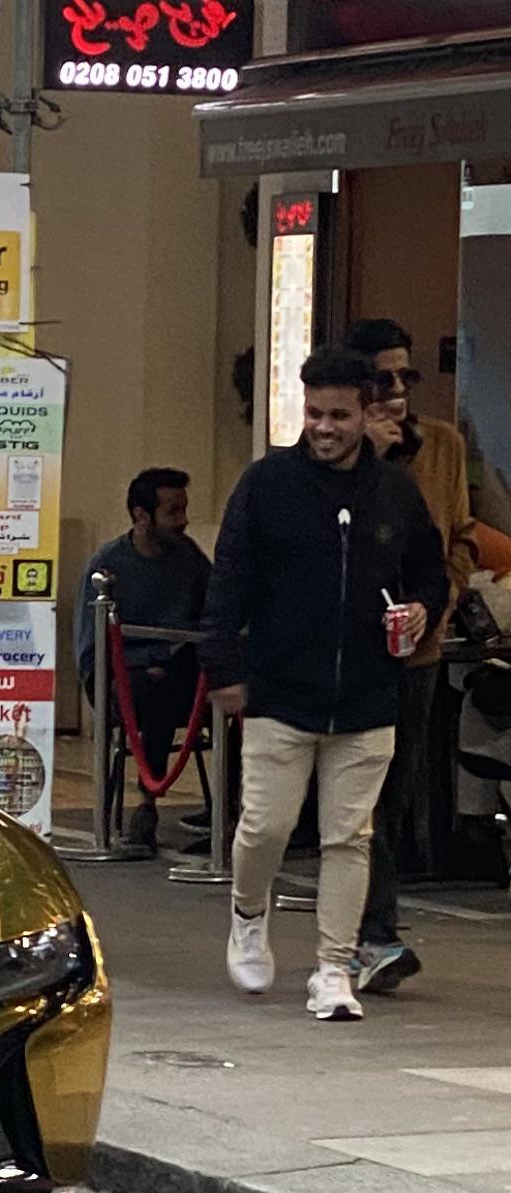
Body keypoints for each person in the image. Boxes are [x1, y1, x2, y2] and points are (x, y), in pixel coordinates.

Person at [205, 346, 448, 1023]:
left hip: (369, 696)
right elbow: (228, 580)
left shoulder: (395, 493)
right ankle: (247, 912)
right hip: (280, 691)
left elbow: (428, 570)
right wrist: (224, 668)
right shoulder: (265, 485)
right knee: (266, 825)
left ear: (365, 412)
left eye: (338, 414)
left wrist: (422, 607)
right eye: (313, 413)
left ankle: (333, 967)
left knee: (350, 837)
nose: (324, 427)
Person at [344, 317, 479, 994]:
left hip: (416, 649)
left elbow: (461, 535)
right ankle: (370, 932)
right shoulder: (333, 449)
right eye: (381, 378)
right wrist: (367, 455)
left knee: (393, 791)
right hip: (347, 650)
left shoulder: (446, 446)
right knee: (355, 792)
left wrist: (442, 598)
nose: (396, 391)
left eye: (405, 376)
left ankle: (369, 928)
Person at [73, 467, 212, 852]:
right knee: (156, 690)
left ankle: (231, 809)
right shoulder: (107, 567)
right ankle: (146, 804)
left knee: (235, 692)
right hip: (130, 681)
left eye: (184, 509)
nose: (183, 521)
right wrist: (147, 660)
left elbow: (214, 609)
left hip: (180, 674)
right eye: (173, 511)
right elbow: (92, 650)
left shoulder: (189, 558)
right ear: (141, 516)